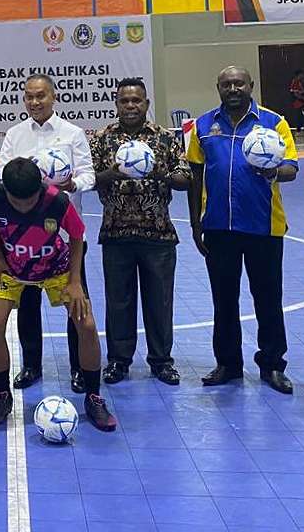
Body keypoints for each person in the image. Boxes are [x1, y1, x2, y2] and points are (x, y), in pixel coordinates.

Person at [0, 159, 117, 431]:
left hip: (57, 268)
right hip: (12, 268)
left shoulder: (57, 201)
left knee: (86, 326)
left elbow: (78, 236)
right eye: (16, 202)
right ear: (5, 190)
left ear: (40, 190)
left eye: (29, 202)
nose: (22, 207)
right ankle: (1, 395)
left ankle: (94, 397)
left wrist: (75, 280)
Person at [187, 66, 297, 394]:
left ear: (250, 85)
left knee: (267, 299)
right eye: (226, 84)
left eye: (239, 83)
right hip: (219, 227)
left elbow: (291, 167)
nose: (233, 88)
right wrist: (196, 223)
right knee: (223, 300)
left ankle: (273, 365)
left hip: (263, 227)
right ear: (218, 88)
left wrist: (273, 171)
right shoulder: (204, 125)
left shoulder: (273, 122)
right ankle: (229, 364)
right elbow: (195, 174)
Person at [0, 74, 94, 391]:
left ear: (53, 97)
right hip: (23, 238)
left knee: (74, 305)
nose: (35, 102)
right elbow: (2, 175)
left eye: (41, 96)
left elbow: (87, 174)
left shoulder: (73, 133)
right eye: (29, 97)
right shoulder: (14, 135)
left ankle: (80, 368)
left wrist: (71, 185)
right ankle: (31, 366)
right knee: (27, 306)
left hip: (64, 236)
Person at [90, 79, 190, 385]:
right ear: (116, 104)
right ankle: (119, 361)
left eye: (136, 101)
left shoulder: (165, 139)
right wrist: (114, 173)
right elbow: (89, 178)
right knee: (118, 302)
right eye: (124, 101)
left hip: (157, 234)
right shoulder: (102, 138)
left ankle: (161, 361)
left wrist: (157, 171)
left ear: (146, 104)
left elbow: (185, 178)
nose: (130, 106)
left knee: (159, 302)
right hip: (116, 233)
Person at [289, 69, 304, 135]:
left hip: (302, 102)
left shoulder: (300, 82)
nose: (303, 76)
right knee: (300, 116)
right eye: (301, 74)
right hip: (298, 103)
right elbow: (295, 93)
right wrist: (303, 98)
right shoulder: (295, 82)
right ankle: (300, 131)